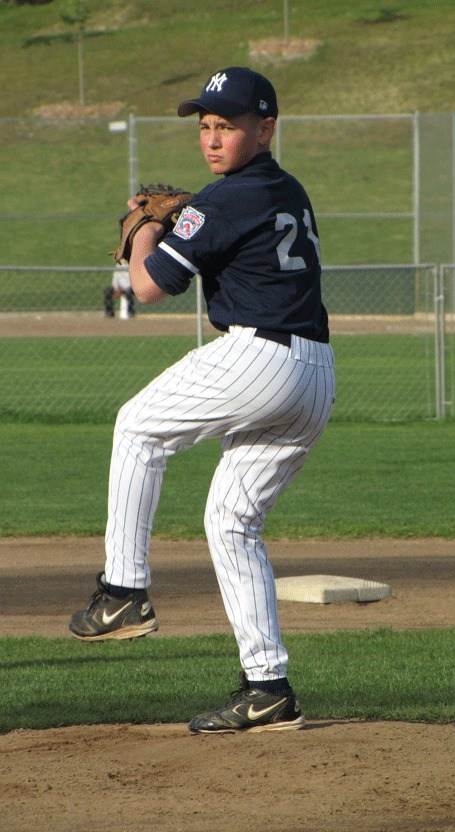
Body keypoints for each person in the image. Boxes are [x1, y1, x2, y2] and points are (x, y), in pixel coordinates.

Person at [70, 66, 335, 734]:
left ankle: (122, 595)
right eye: (206, 126)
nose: (212, 139)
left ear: (265, 128)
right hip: (313, 374)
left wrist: (139, 232)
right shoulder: (285, 190)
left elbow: (150, 287)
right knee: (232, 521)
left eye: (229, 125)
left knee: (137, 427)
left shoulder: (223, 199)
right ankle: (267, 686)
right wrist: (184, 228)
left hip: (263, 357)